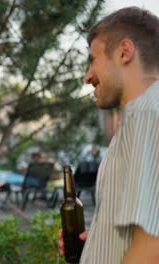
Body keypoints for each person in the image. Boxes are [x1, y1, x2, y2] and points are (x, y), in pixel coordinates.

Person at [58, 7, 159, 263]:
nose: (87, 76)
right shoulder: (141, 117)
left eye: (93, 60)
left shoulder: (146, 113)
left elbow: (152, 246)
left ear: (125, 52)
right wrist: (101, 242)